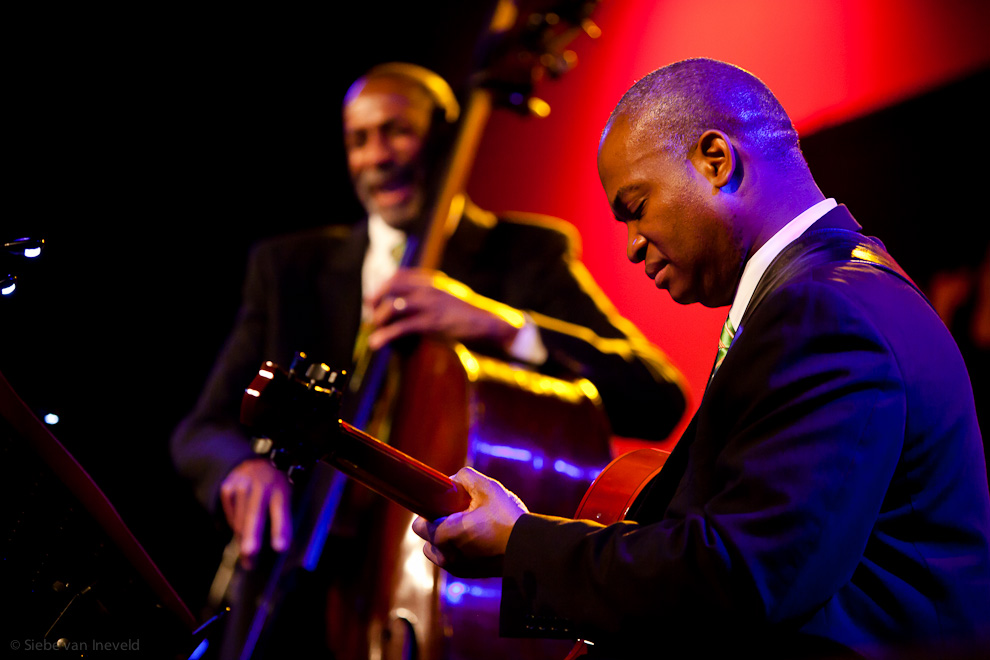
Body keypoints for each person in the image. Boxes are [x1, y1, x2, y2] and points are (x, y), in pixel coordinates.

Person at [413, 58, 990, 658]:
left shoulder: (823, 310)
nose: (633, 245)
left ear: (717, 161)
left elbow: (741, 578)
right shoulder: (842, 290)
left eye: (635, 206)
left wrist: (520, 545)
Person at [170, 62, 686, 583]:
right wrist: (241, 468)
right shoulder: (288, 270)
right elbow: (202, 428)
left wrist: (503, 326)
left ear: (444, 139)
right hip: (302, 576)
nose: (377, 156)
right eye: (359, 139)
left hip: (448, 586)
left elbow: (655, 397)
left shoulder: (525, 254)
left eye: (398, 131)